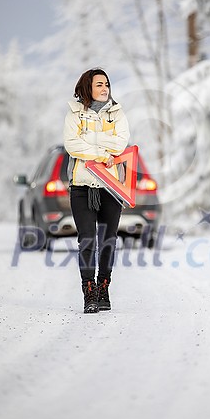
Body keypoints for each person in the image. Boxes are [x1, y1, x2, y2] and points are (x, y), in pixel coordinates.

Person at [64, 68, 130, 313]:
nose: (105, 89)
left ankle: (104, 287)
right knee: (88, 240)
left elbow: (120, 142)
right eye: (99, 84)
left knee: (108, 241)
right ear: (87, 88)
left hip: (111, 188)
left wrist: (88, 139)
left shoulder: (117, 113)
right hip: (81, 187)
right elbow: (72, 145)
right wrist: (103, 152)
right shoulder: (74, 114)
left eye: (107, 84)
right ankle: (89, 291)